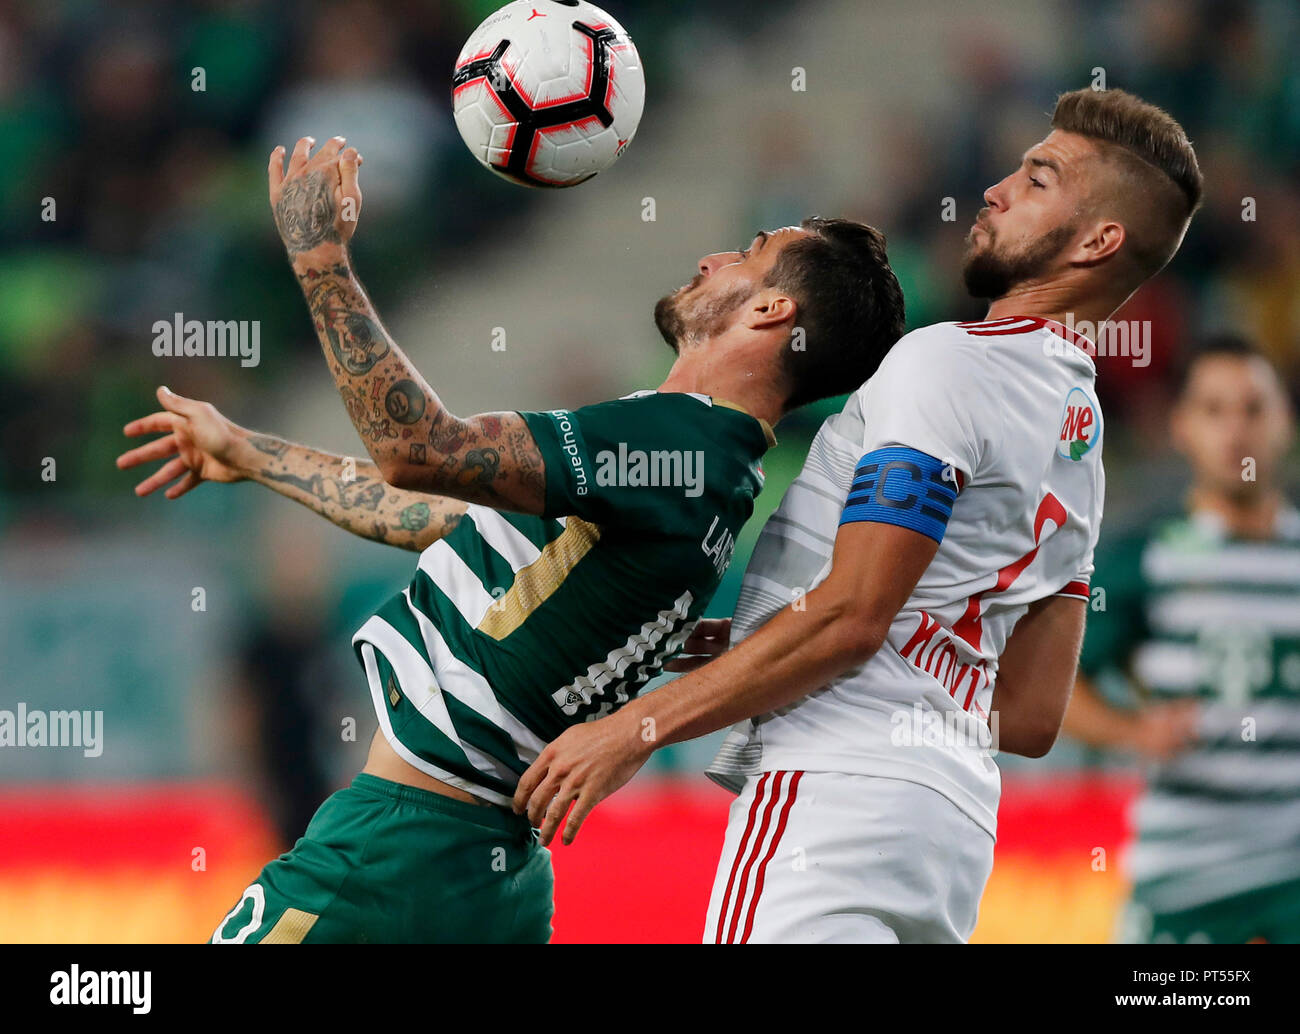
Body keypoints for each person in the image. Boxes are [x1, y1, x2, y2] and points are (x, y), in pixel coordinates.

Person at [116, 133, 906, 942]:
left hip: (397, 853)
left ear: (772, 311)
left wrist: (319, 256)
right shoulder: (705, 471)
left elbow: (419, 448)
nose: (712, 258)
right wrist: (253, 454)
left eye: (749, 253)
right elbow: (437, 514)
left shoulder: (676, 446)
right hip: (492, 875)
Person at [515, 87, 1204, 944]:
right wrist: (750, 638)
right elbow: (1028, 714)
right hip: (947, 834)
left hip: (831, 795)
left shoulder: (946, 363)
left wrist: (635, 728)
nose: (993, 189)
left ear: (1100, 240)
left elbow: (853, 617)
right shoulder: (1081, 435)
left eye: (1037, 180)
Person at [1063, 336, 1300, 944]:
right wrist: (1131, 731)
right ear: (1182, 427)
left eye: (1254, 408)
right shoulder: (1150, 557)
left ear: (1285, 422)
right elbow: (1051, 685)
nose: (1237, 432)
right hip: (1184, 882)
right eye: (1214, 410)